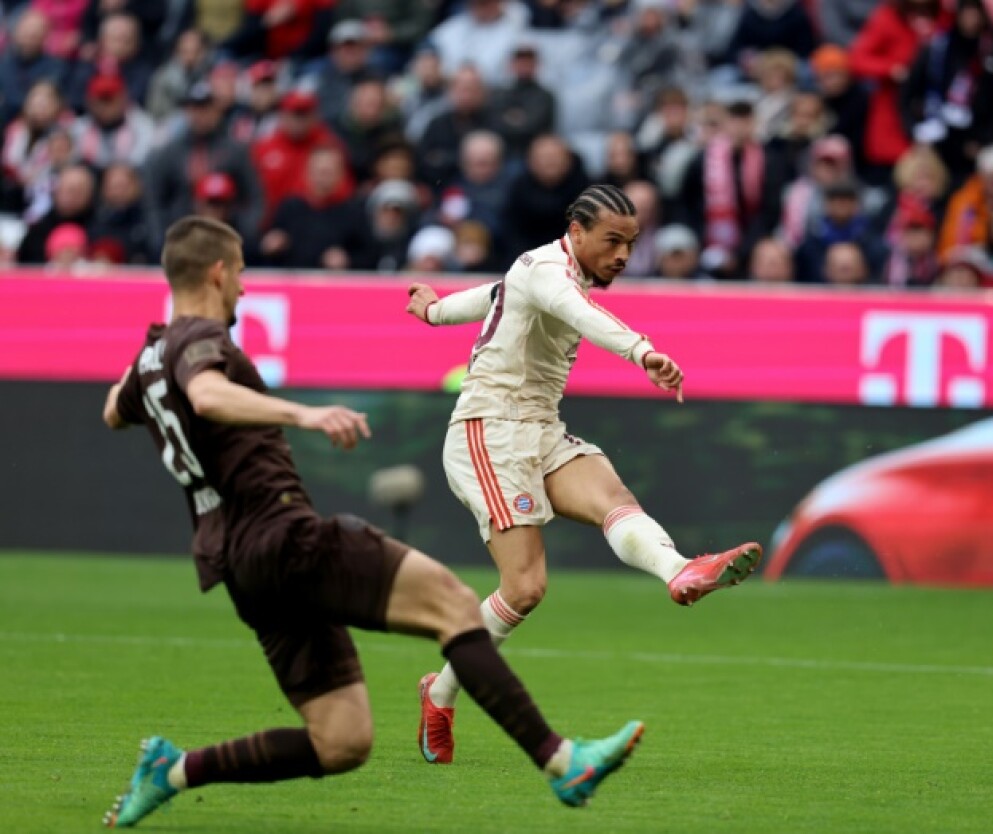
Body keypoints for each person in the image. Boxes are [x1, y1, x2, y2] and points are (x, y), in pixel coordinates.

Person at [98, 216, 644, 828]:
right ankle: (561, 760)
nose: (245, 289)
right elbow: (206, 396)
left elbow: (114, 412)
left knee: (341, 741)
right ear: (219, 272)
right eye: (243, 273)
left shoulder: (154, 352)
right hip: (282, 534)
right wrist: (305, 415)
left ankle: (172, 771)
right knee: (454, 605)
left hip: (235, 561)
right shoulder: (202, 339)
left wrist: (151, 354)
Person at [404, 183, 761, 766]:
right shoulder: (550, 273)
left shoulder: (544, 272)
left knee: (610, 494)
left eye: (631, 243)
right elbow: (578, 314)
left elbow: (493, 297)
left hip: (539, 427)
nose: (622, 255)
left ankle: (680, 572)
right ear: (575, 233)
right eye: (611, 241)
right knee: (525, 588)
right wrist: (643, 352)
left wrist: (434, 309)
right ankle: (440, 693)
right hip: (487, 434)